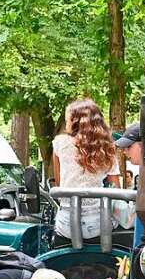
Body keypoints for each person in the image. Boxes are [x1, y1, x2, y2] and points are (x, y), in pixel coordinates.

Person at [51, 100, 120, 245]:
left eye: (67, 120)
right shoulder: (107, 148)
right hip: (99, 225)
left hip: (67, 224)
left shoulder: (60, 143)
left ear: (75, 121)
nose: (66, 124)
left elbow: (59, 183)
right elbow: (116, 189)